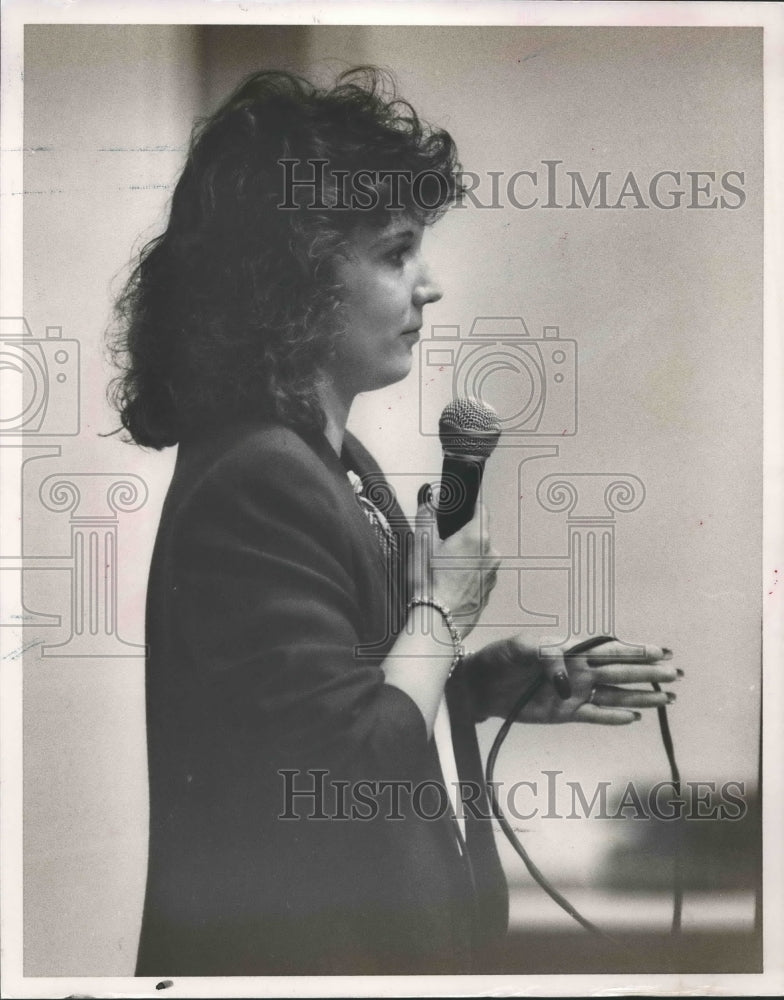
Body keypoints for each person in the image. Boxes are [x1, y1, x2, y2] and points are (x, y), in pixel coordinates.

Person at [109, 67, 679, 977]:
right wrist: (444, 617)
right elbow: (343, 773)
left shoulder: (321, 465)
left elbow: (314, 717)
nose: (431, 285)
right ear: (290, 282)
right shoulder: (262, 478)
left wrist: (478, 684)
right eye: (394, 252)